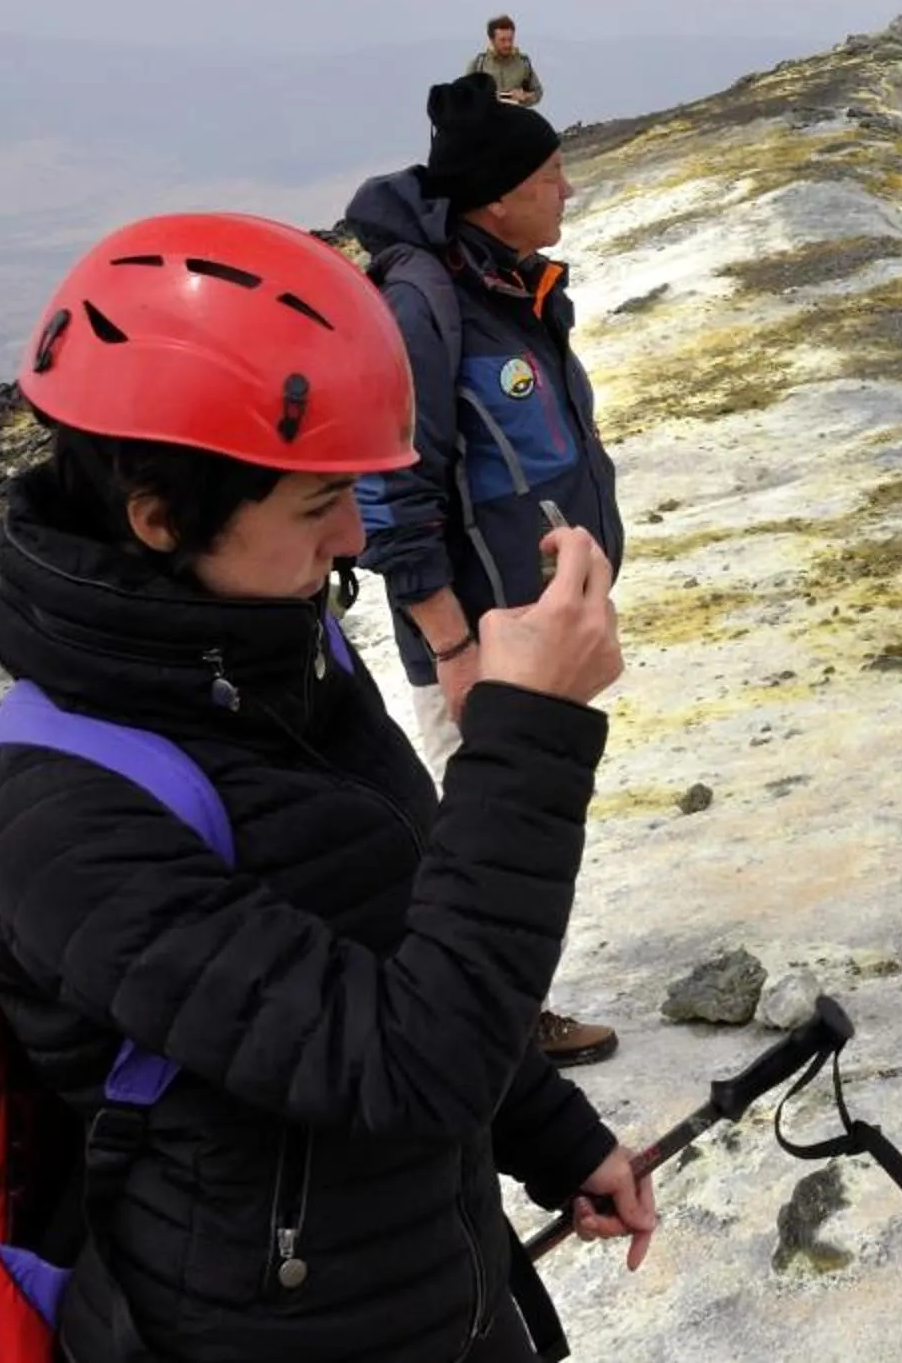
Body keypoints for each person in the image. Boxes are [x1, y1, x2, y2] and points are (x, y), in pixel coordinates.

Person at [0, 212, 654, 1363]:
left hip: (441, 1280)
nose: (353, 536)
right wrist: (529, 734)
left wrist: (554, 1136)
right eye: (313, 502)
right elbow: (408, 1061)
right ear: (160, 519)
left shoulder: (270, 650)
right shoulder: (60, 811)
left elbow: (400, 932)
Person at [345, 72, 628, 1068]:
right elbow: (390, 492)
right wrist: (453, 646)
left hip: (532, 625)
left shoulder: (508, 283)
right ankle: (488, 1024)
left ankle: (499, 1007)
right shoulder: (425, 303)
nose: (569, 191)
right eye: (555, 174)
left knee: (521, 811)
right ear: (500, 194)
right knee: (481, 830)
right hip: (479, 633)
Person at [469, 14, 544, 107]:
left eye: (510, 39)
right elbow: (465, 95)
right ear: (492, 40)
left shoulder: (523, 63)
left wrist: (525, 96)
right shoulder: (478, 64)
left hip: (515, 118)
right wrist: (487, 96)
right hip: (487, 119)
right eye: (502, 40)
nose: (507, 44)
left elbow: (538, 92)